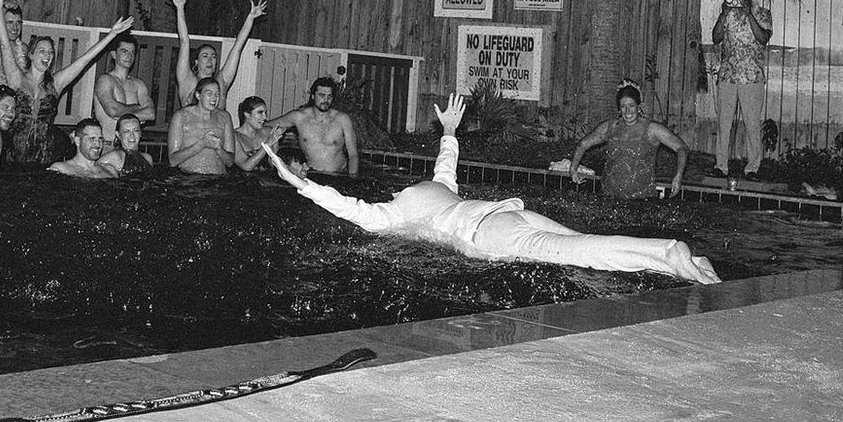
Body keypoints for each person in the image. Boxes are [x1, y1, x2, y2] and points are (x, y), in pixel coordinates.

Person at [264, 93, 721, 285]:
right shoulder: (433, 186)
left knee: (583, 252)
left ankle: (670, 254)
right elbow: (448, 161)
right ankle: (678, 260)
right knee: (579, 243)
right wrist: (448, 129)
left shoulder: (391, 215)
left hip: (492, 234)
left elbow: (348, 207)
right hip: (506, 212)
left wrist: (299, 183)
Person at [0, 0, 134, 165]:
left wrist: (112, 35)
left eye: (50, 52)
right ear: (31, 55)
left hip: (44, 157)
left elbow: (85, 59)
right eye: (42, 51)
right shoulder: (17, 78)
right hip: (13, 157)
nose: (47, 56)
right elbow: (5, 47)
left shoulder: (55, 83)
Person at [567, 81, 689, 199]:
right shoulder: (609, 127)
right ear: (619, 109)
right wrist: (573, 169)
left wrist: (678, 176)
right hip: (608, 196)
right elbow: (583, 144)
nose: (628, 111)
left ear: (638, 107)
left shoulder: (652, 129)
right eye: (623, 106)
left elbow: (682, 148)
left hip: (642, 198)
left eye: (631, 106)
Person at [711, 0, 772, 180]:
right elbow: (716, 37)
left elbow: (763, 38)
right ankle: (721, 166)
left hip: (752, 78)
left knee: (752, 124)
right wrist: (723, 15)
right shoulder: (727, 13)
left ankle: (753, 168)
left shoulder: (763, 13)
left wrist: (749, 15)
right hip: (728, 76)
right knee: (723, 123)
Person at [166, 0, 267, 106]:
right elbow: (184, 42)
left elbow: (237, 48)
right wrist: (179, 8)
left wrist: (250, 18)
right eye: (205, 56)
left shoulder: (221, 81)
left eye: (213, 56)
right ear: (196, 62)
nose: (210, 60)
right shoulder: (188, 81)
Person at [267, 76, 359, 175]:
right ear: (313, 96)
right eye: (322, 95)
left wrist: (352, 178)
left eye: (329, 96)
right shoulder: (299, 117)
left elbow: (353, 155)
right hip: (311, 174)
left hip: (337, 175)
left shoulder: (342, 119)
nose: (326, 100)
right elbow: (267, 125)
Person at [93, 34, 155, 142]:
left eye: (132, 52)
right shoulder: (105, 80)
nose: (129, 56)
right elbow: (112, 110)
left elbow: (150, 114)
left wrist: (121, 116)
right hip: (108, 144)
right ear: (114, 54)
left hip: (131, 146)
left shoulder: (138, 84)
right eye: (124, 51)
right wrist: (137, 107)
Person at [167, 77, 236, 174]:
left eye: (217, 94)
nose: (214, 98)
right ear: (198, 95)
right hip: (188, 177)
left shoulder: (224, 117)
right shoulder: (182, 116)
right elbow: (173, 160)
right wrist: (201, 144)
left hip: (217, 178)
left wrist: (219, 149)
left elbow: (230, 162)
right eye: (209, 94)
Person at [49, 118, 119, 178]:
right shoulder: (61, 169)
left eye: (100, 139)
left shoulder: (110, 171)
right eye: (92, 139)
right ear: (78, 141)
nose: (98, 144)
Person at [231, 95, 285, 171]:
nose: (265, 117)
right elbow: (246, 166)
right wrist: (267, 144)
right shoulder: (234, 137)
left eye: (265, 113)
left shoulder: (268, 132)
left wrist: (275, 143)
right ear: (247, 114)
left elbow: (274, 166)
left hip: (266, 179)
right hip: (243, 180)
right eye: (260, 113)